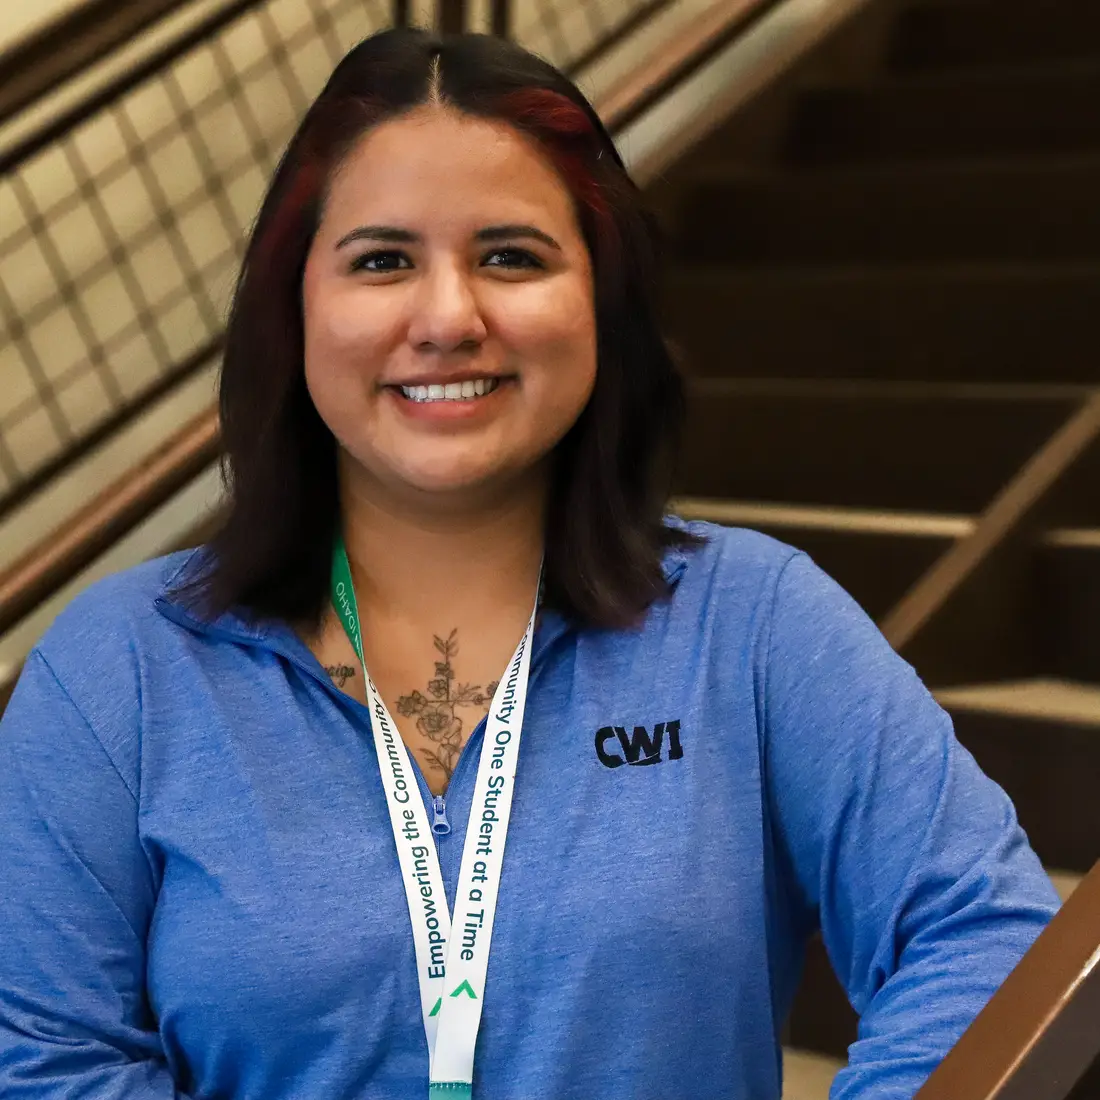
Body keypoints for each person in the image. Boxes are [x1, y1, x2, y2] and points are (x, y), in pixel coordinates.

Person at [0, 26, 1059, 1100]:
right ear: (294, 308)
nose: (449, 317)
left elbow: (983, 936)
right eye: (381, 260)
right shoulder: (119, 669)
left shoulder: (750, 624)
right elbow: (40, 1056)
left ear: (599, 300)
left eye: (510, 255)